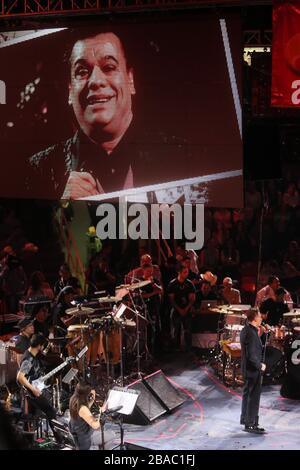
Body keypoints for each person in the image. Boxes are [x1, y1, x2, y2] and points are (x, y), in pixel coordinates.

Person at [16, 333, 58, 434]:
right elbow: (20, 377)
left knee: (43, 411)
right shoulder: (29, 359)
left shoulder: (33, 355)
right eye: (42, 345)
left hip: (34, 388)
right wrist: (33, 389)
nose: (43, 348)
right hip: (31, 392)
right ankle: (58, 436)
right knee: (51, 411)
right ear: (39, 346)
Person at [240, 309, 266, 434]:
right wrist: (259, 365)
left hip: (247, 368)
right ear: (255, 318)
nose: (261, 318)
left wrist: (259, 335)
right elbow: (251, 354)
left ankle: (246, 420)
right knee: (253, 396)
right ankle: (251, 424)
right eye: (260, 316)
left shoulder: (247, 330)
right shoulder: (251, 333)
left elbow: (251, 347)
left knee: (247, 394)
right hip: (252, 369)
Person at [69, 383, 115, 450]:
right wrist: (99, 414)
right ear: (87, 394)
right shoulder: (83, 408)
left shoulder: (74, 400)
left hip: (78, 434)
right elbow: (96, 426)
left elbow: (86, 412)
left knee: (103, 432)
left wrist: (92, 401)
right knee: (112, 434)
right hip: (84, 439)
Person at [167, 264, 196, 352]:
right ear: (179, 272)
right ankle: (175, 349)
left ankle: (188, 349)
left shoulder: (189, 284)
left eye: (187, 272)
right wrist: (179, 309)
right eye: (184, 272)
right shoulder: (172, 284)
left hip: (186, 309)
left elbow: (192, 298)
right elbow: (171, 300)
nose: (186, 274)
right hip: (176, 309)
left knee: (188, 330)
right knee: (175, 330)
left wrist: (186, 309)